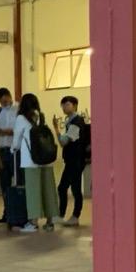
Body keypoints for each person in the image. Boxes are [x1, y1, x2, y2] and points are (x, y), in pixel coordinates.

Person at [14, 92, 58, 232]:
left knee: (34, 191)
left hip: (31, 161)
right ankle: (50, 222)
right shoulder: (41, 116)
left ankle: (33, 223)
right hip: (46, 159)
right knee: (48, 190)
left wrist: (12, 149)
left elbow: (16, 141)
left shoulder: (21, 118)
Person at [57, 95, 89, 225]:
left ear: (75, 106)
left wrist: (56, 130)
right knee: (63, 187)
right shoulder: (70, 121)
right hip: (71, 160)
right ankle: (62, 214)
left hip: (75, 160)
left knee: (73, 188)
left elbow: (64, 142)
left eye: (68, 104)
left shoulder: (77, 122)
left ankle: (74, 216)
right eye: (63, 105)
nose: (65, 107)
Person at [0, 87, 18, 217]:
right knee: (4, 183)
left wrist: (5, 132)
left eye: (5, 101)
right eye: (1, 102)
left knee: (19, 182)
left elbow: (20, 129)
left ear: (9, 96)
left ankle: (19, 212)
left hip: (16, 151)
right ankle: (7, 212)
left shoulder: (18, 110)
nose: (4, 104)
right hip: (2, 151)